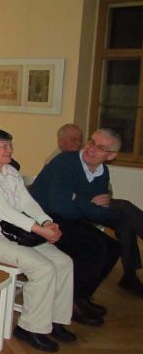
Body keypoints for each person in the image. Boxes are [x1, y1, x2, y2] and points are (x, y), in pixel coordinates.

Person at [0, 129, 75, 353]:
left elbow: (26, 202)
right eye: (4, 146)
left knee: (64, 262)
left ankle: (55, 320)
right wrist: (41, 231)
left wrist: (46, 221)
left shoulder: (10, 171)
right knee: (43, 268)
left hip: (14, 234)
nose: (10, 150)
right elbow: (5, 212)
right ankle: (30, 328)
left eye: (10, 145)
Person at [30, 128, 142, 299]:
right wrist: (86, 201)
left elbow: (97, 213)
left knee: (115, 243)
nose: (91, 149)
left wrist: (77, 198)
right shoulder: (65, 162)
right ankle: (74, 299)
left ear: (111, 156)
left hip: (70, 216)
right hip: (45, 218)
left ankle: (81, 296)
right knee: (99, 245)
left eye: (100, 147)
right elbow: (61, 207)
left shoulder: (102, 172)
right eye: (91, 142)